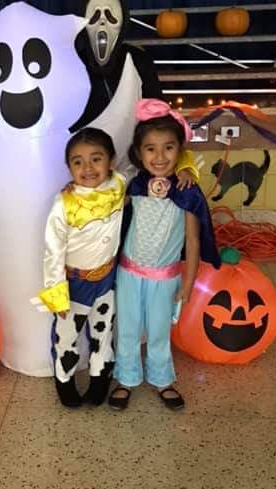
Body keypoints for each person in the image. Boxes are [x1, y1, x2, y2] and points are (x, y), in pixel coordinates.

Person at [36, 125, 197, 409]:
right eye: (78, 162)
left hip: (108, 279)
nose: (88, 167)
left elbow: (167, 160)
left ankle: (101, 380)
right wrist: (55, 292)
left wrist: (186, 168)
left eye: (96, 159)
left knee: (104, 333)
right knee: (67, 335)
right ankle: (65, 379)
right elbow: (53, 251)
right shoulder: (64, 202)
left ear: (111, 162)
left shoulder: (122, 184)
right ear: (69, 167)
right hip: (73, 283)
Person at [108, 100, 220, 412]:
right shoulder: (134, 185)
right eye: (151, 149)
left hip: (165, 278)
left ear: (179, 150)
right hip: (128, 275)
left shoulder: (187, 191)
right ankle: (126, 378)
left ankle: (161, 379)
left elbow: (194, 240)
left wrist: (188, 281)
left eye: (169, 148)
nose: (160, 157)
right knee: (127, 328)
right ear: (139, 152)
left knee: (158, 330)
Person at [74, 0, 163, 130]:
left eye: (110, 16)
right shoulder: (74, 63)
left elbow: (157, 114)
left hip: (131, 146)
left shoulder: (138, 60)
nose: (102, 23)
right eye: (95, 16)